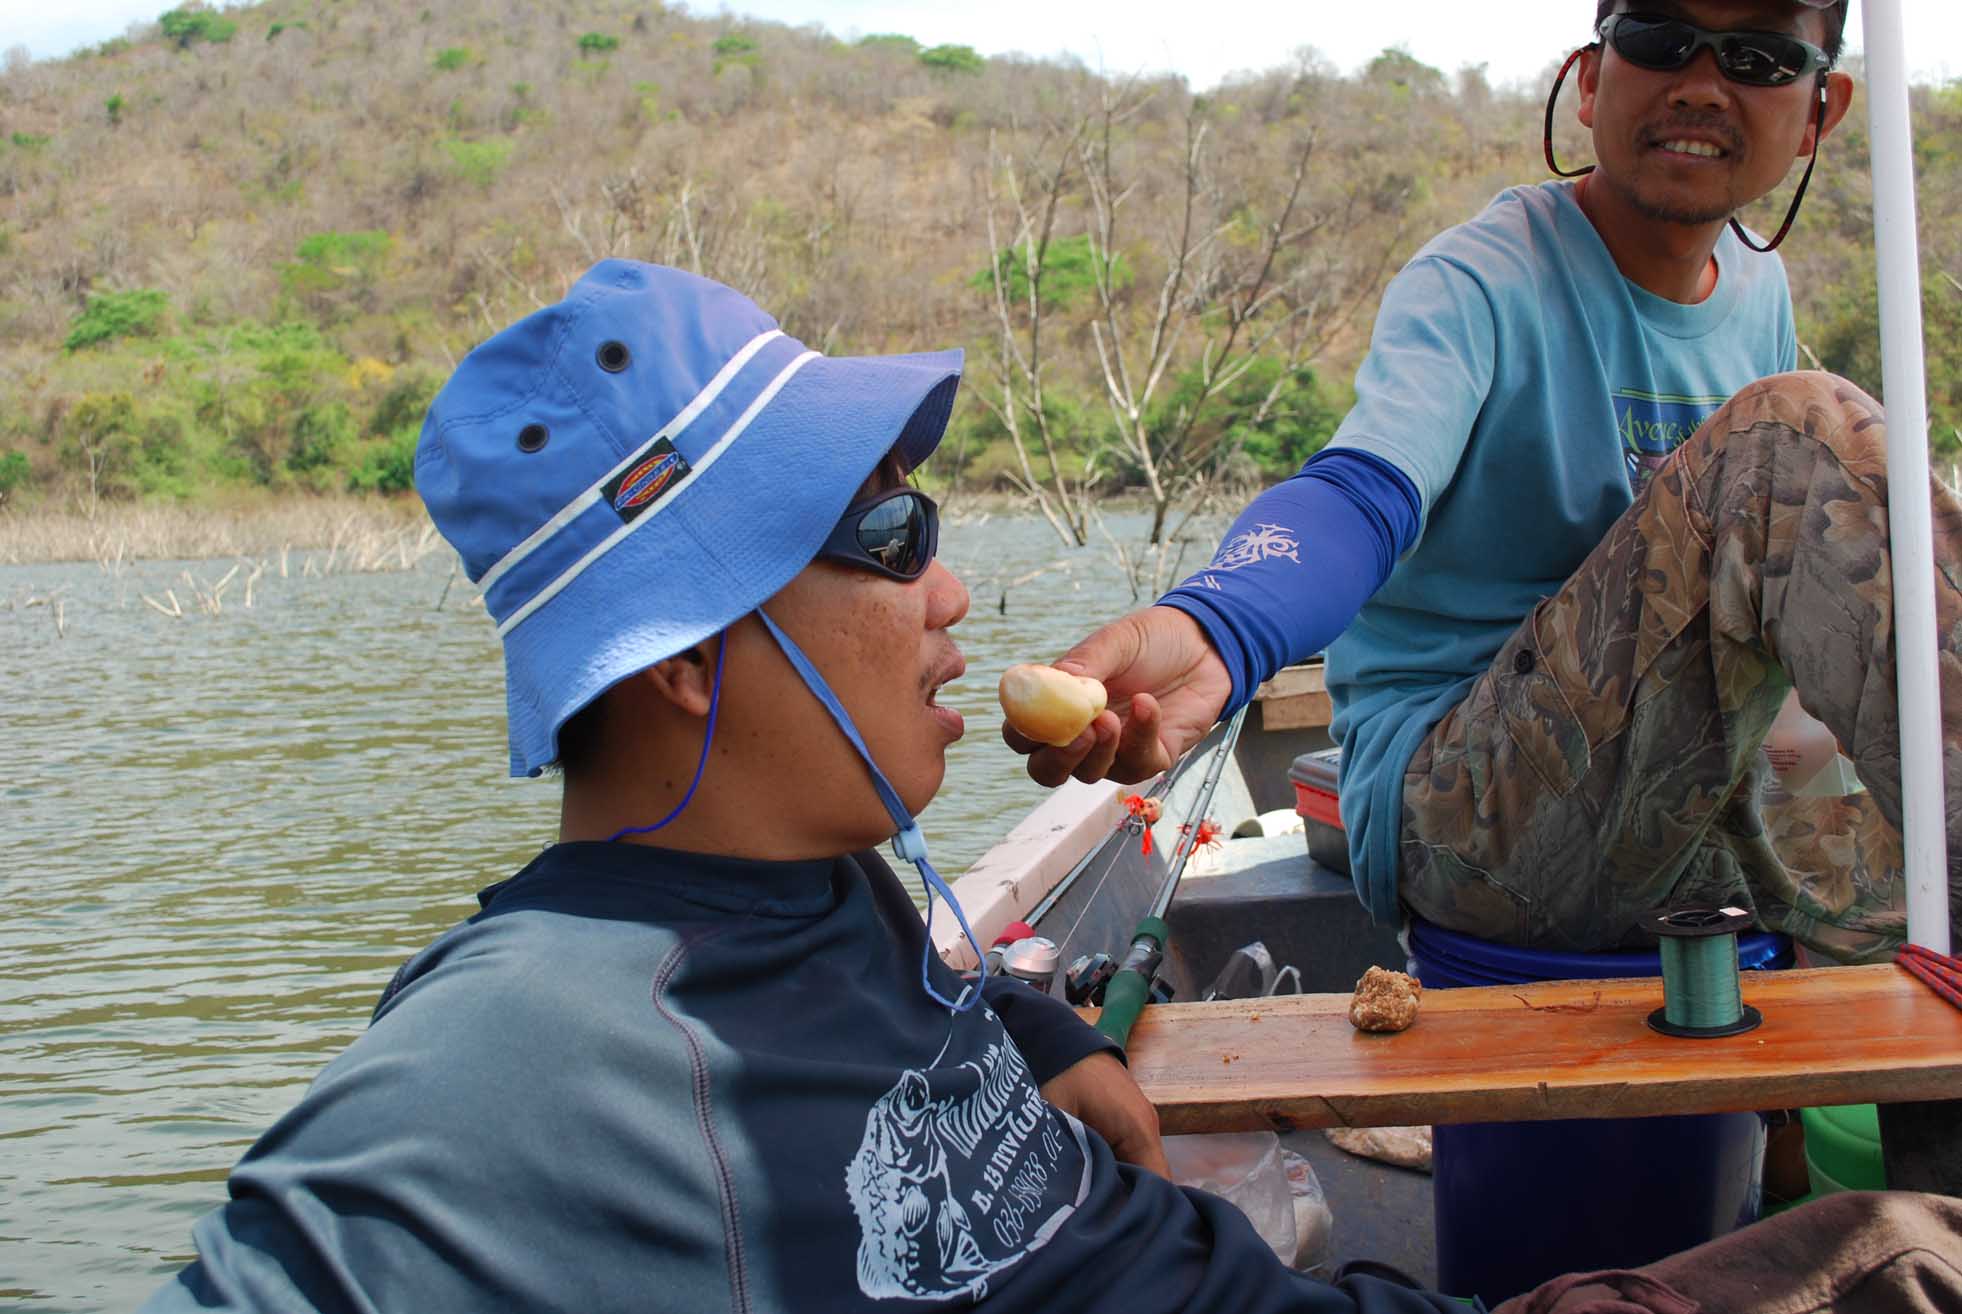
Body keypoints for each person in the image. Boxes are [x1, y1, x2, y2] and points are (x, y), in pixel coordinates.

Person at [134, 263, 1962, 1314]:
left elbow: (928, 1000)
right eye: (885, 526)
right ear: (685, 651)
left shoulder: (816, 881)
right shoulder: (518, 1058)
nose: (947, 586)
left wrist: (1024, 1019)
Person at [1010, 0, 1962, 966]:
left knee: (1921, 884)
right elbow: (1364, 492)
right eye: (1660, 41)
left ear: (1818, 114)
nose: (1703, 84)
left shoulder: (1760, 288)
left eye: (1758, 57)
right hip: (1460, 810)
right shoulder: (1476, 281)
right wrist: (1227, 622)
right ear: (1590, 80)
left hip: (1676, 801)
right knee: (1793, 431)